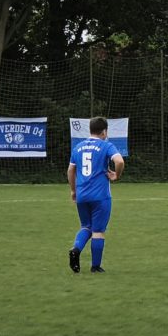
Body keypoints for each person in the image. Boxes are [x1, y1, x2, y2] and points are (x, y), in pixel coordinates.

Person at [67, 116, 125, 274]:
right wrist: (116, 176)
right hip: (100, 196)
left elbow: (70, 170)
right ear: (104, 131)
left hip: (82, 195)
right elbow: (119, 161)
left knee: (86, 226)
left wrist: (73, 191)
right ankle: (95, 266)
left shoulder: (78, 147)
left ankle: (76, 249)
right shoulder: (106, 146)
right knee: (98, 231)